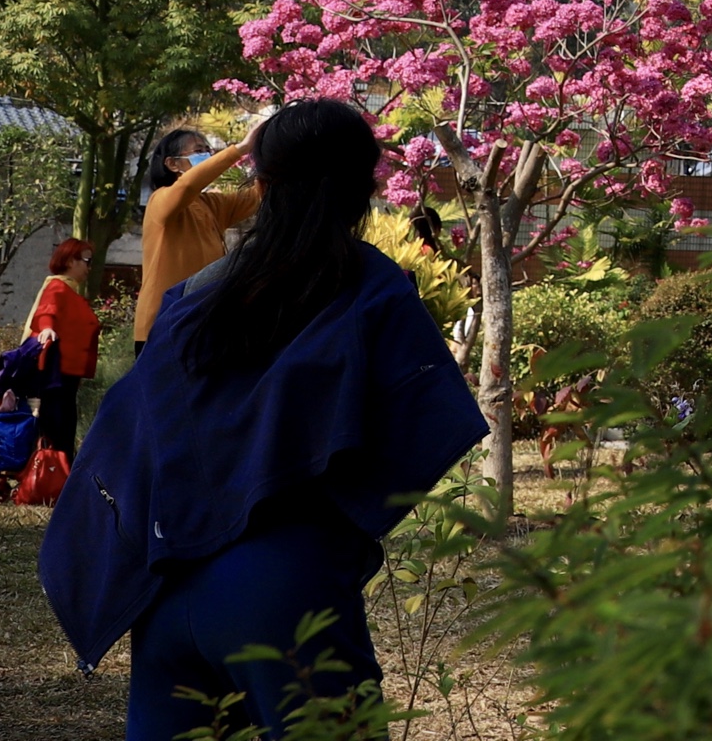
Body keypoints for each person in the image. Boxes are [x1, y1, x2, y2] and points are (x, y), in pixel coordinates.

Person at [41, 97, 485, 740]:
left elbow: (127, 430)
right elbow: (426, 424)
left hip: (165, 595)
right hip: (288, 587)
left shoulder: (193, 298)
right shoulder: (369, 285)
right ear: (367, 185)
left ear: (264, 183)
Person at [132, 127, 257, 353]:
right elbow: (188, 185)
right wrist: (241, 149)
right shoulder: (160, 200)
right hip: (162, 324)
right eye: (199, 151)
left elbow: (256, 195)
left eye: (208, 150)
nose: (208, 156)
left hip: (200, 320)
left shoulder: (209, 204)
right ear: (173, 164)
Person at [24, 237, 100, 461]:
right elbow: (47, 310)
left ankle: (59, 474)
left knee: (62, 422)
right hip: (58, 372)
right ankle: (54, 475)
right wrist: (47, 328)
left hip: (67, 373)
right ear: (69, 261)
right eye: (86, 260)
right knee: (58, 424)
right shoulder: (58, 286)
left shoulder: (71, 291)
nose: (89, 266)